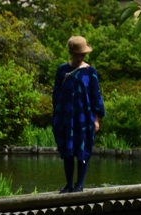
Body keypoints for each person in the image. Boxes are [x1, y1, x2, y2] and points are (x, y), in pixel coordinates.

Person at [52, 36, 105, 193]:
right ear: (71, 53)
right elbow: (56, 93)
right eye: (77, 55)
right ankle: (69, 184)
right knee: (68, 151)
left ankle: (79, 185)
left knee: (83, 149)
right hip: (66, 117)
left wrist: (96, 119)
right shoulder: (62, 70)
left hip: (84, 117)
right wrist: (57, 115)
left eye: (82, 55)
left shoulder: (90, 72)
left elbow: (96, 96)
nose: (80, 58)